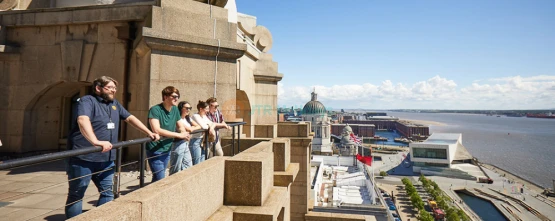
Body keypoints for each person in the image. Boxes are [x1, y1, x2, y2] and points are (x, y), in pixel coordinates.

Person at [65, 76, 159, 219]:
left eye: (115, 88)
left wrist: (149, 132)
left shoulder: (114, 104)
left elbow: (130, 118)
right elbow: (82, 119)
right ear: (98, 88)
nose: (114, 91)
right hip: (84, 158)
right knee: (77, 195)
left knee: (108, 192)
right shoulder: (87, 101)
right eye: (110, 88)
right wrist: (96, 142)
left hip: (107, 158)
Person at [147, 86, 190, 182]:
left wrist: (183, 132)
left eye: (178, 96)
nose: (177, 99)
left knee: (157, 178)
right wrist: (179, 135)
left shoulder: (175, 109)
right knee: (160, 178)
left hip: (167, 148)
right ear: (165, 97)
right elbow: (157, 130)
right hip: (155, 149)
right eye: (174, 96)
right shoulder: (155, 109)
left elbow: (180, 125)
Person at [169, 101, 201, 175]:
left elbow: (198, 126)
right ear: (181, 108)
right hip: (178, 143)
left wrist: (191, 128)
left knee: (188, 165)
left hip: (185, 143)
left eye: (190, 108)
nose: (188, 110)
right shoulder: (178, 119)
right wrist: (191, 128)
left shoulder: (188, 118)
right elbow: (188, 129)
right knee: (176, 167)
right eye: (186, 108)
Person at [191, 100, 216, 165]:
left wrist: (211, 127)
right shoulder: (195, 116)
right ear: (201, 109)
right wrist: (210, 126)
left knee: (203, 159)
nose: (208, 110)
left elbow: (212, 123)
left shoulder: (204, 116)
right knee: (197, 161)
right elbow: (204, 127)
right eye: (206, 109)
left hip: (204, 140)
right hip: (196, 140)